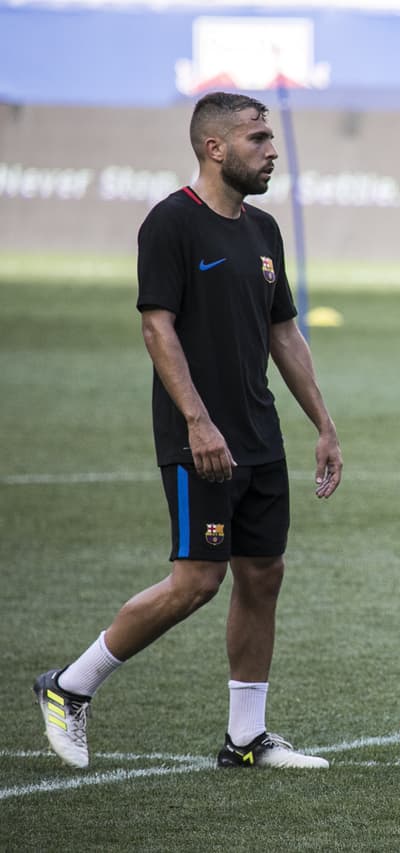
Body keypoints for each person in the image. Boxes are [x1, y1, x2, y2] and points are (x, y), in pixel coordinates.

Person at [34, 92, 343, 770]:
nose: (272, 150)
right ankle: (68, 686)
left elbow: (283, 331)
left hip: (259, 436)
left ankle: (247, 737)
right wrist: (199, 422)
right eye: (257, 138)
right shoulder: (171, 223)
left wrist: (323, 422)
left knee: (263, 573)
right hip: (197, 437)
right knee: (196, 581)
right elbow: (156, 326)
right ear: (215, 147)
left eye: (270, 138)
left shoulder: (263, 231)